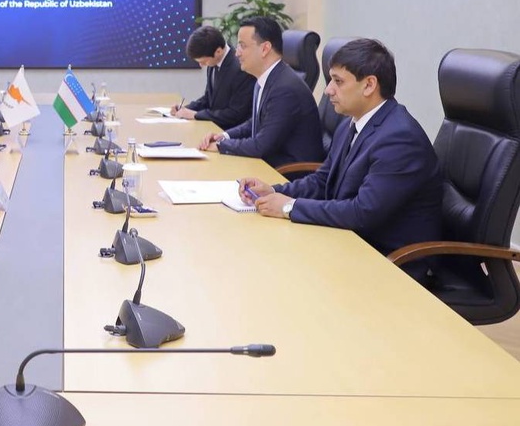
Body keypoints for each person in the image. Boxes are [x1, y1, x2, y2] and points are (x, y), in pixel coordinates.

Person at [237, 39, 443, 275]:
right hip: (350, 241)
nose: (328, 90)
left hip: (392, 262)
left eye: (338, 81)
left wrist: (288, 207)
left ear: (369, 85)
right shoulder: (350, 124)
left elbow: (362, 212)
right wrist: (273, 191)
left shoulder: (400, 139)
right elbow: (322, 180)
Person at [199, 17, 323, 168]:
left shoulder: (285, 89)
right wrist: (224, 136)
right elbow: (255, 123)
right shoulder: (266, 79)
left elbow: (261, 146)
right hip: (267, 164)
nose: (237, 53)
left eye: (242, 46)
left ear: (265, 49)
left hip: (287, 173)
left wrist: (222, 146)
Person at [170, 25, 254, 129]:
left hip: (230, 131)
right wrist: (185, 109)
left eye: (203, 61)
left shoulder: (241, 68)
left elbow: (235, 114)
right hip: (213, 127)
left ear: (218, 51)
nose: (201, 65)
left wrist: (196, 115)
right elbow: (208, 98)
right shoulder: (213, 62)